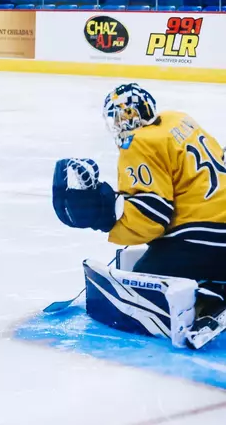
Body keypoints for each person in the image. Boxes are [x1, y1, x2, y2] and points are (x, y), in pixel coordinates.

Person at [52, 83, 226, 349]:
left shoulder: (138, 142)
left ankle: (213, 297)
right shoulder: (180, 120)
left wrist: (104, 220)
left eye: (118, 116)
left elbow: (152, 219)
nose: (117, 124)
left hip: (204, 240)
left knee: (143, 284)